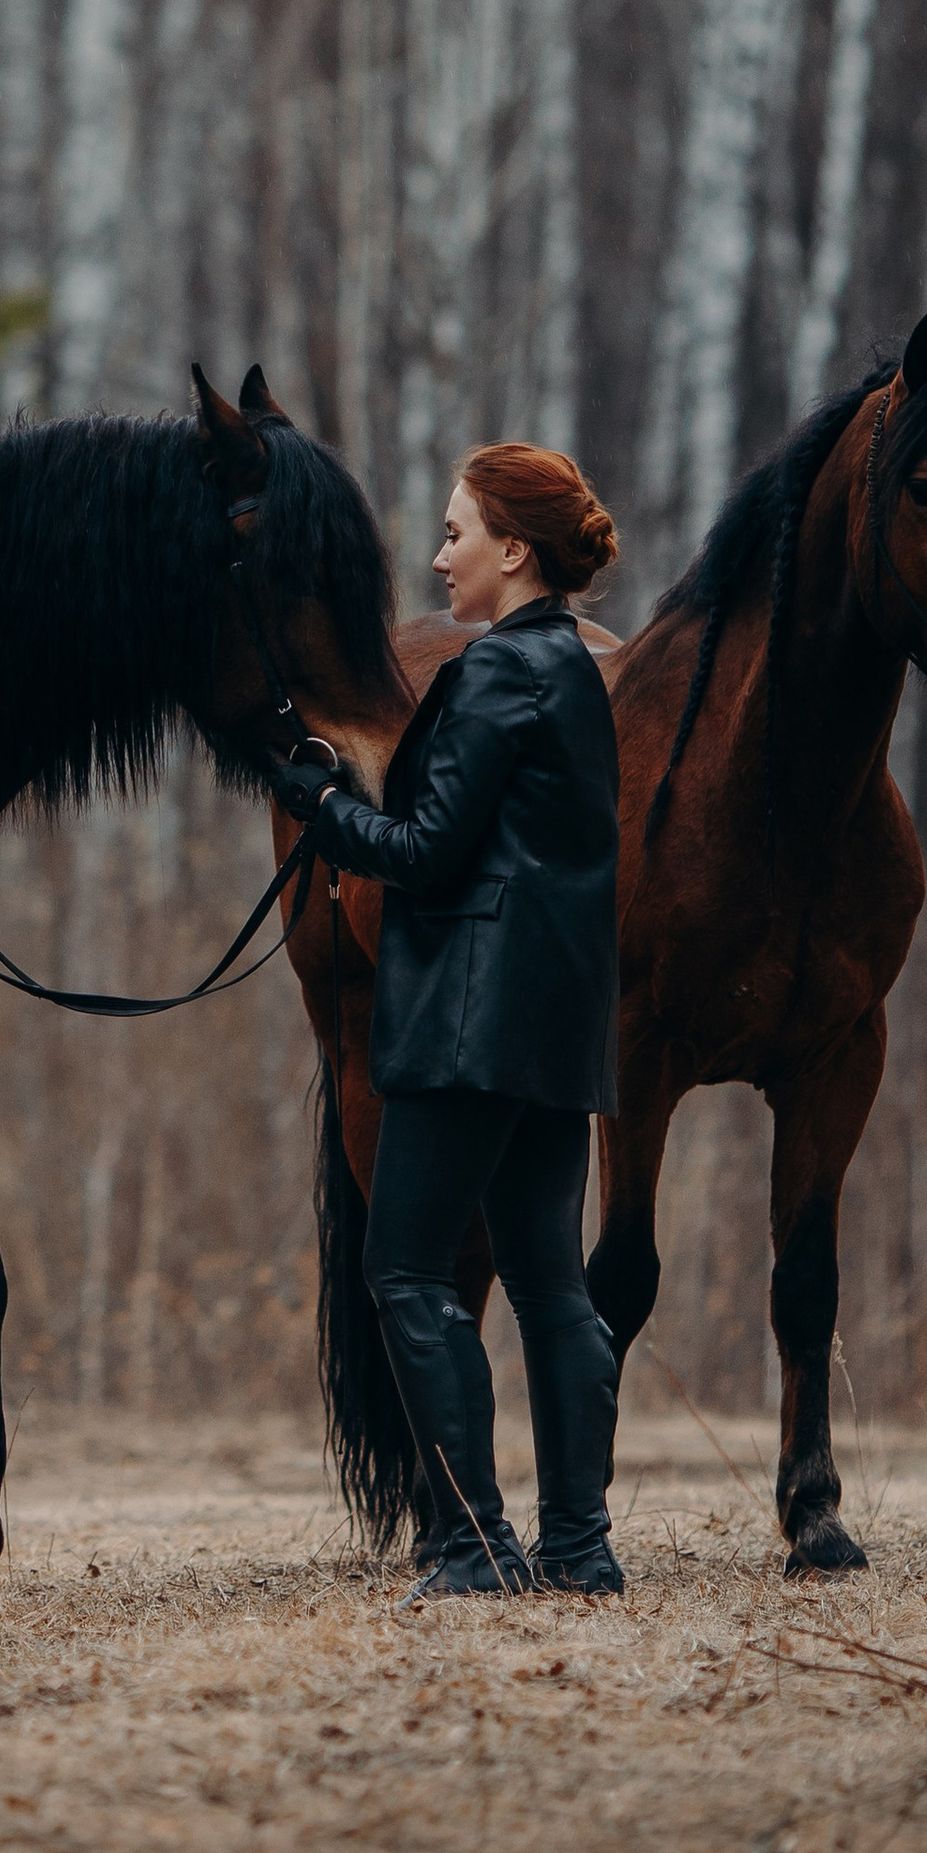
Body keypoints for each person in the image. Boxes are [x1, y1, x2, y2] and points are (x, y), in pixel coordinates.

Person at [285, 443, 625, 1598]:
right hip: (554, 1024)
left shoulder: (492, 674)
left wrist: (320, 805)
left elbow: (425, 854)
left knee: (405, 1272)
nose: (438, 558)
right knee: (549, 1282)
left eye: (454, 534)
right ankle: (578, 1550)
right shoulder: (572, 669)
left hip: (468, 1017)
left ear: (513, 551)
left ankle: (470, 1547)